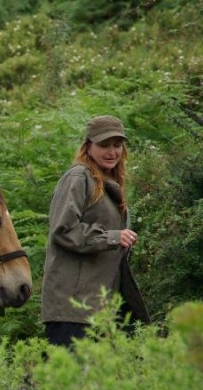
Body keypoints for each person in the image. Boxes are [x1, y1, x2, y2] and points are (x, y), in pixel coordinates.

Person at [41, 115, 150, 347]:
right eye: (104, 145)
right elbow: (63, 230)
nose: (112, 151)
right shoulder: (78, 177)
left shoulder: (109, 181)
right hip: (73, 310)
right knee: (70, 381)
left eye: (117, 145)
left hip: (101, 308)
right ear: (88, 146)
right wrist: (112, 237)